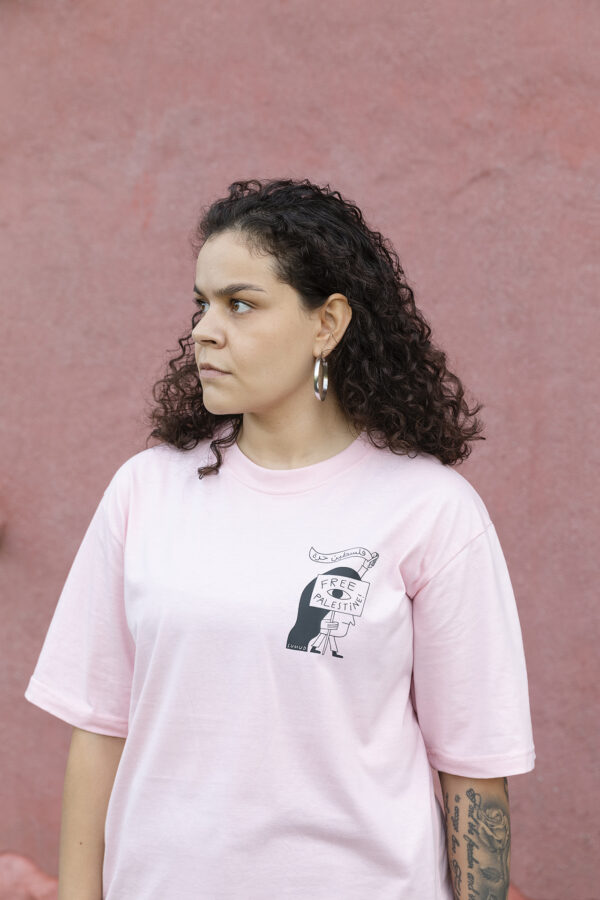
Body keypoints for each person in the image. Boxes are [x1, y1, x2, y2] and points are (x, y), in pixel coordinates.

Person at [24, 178, 535, 900]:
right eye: (201, 304)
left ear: (326, 324)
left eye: (241, 304)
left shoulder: (430, 510)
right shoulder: (146, 491)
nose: (205, 328)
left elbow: (475, 769)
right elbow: (99, 729)